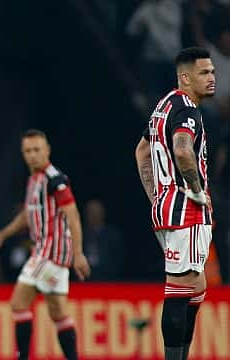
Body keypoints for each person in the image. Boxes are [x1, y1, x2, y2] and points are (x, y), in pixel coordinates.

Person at [135, 46, 216, 360]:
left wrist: (156, 196)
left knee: (197, 287)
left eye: (212, 72)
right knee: (180, 289)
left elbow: (142, 151)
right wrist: (195, 190)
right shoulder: (187, 110)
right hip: (187, 212)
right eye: (204, 73)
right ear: (185, 77)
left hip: (167, 209)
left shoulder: (164, 106)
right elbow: (183, 150)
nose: (212, 78)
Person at [0, 129, 91, 360]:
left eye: (37, 150)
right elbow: (27, 215)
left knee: (18, 304)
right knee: (59, 313)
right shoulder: (34, 179)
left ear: (47, 151)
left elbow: (72, 214)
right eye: (27, 151)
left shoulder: (55, 180)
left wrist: (79, 253)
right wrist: (1, 236)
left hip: (50, 253)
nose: (32, 155)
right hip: (48, 254)